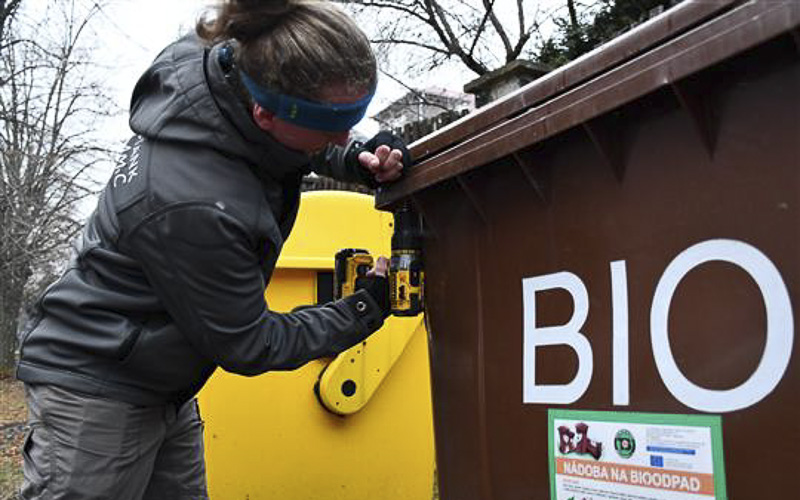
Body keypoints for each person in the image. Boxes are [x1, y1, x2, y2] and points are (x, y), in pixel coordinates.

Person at [15, 1, 410, 498]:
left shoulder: (232, 66)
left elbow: (283, 143)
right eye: (335, 123)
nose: (347, 132)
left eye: (354, 116)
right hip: (96, 387)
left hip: (162, 377)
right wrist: (361, 307)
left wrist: (353, 159)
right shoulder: (195, 204)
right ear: (265, 112)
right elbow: (251, 342)